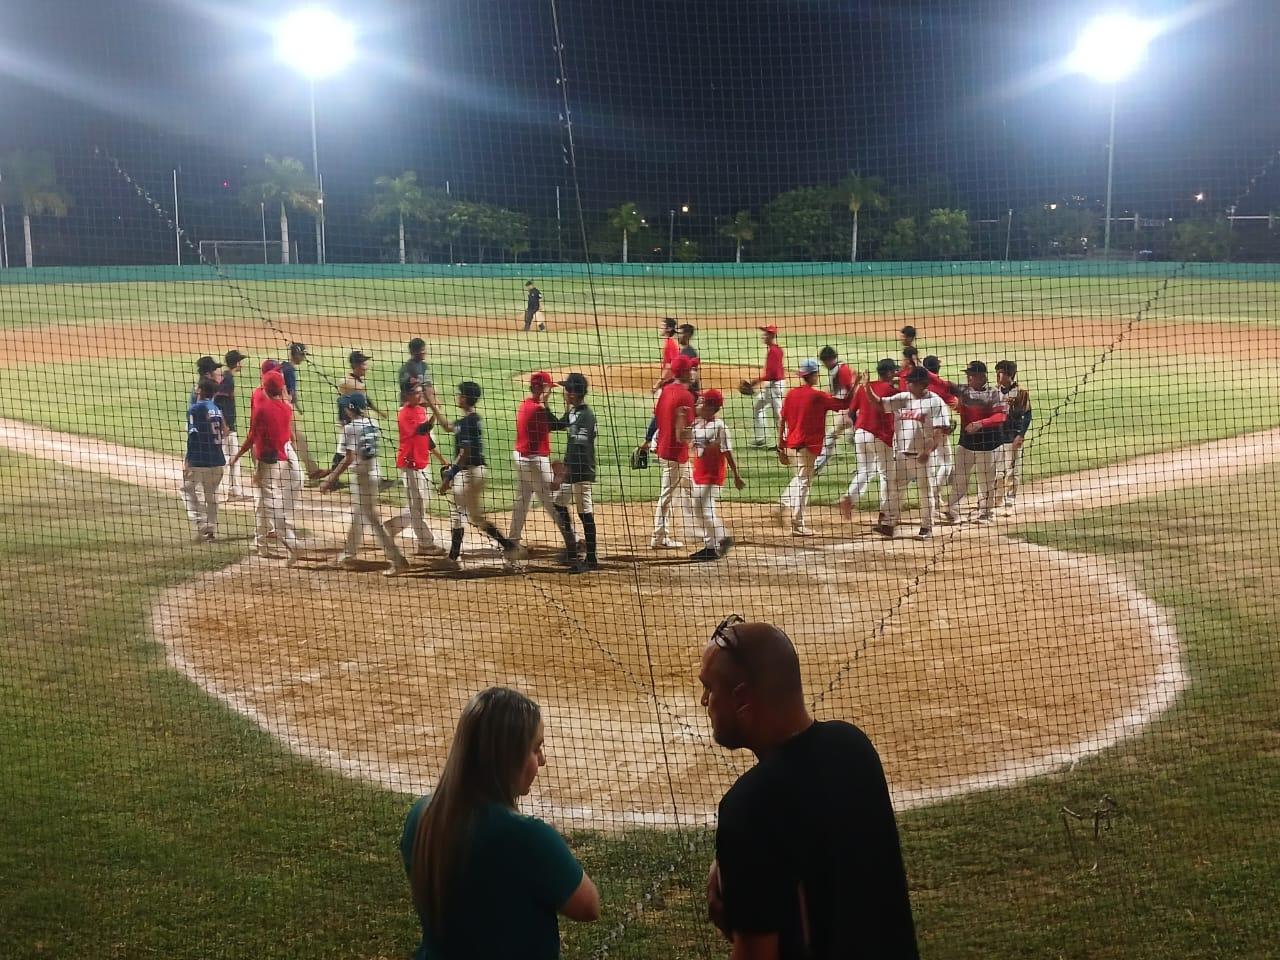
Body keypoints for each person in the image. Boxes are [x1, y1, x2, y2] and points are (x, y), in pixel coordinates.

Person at [700, 617, 918, 960]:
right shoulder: (854, 748)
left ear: (742, 699)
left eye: (709, 688)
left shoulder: (749, 807)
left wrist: (738, 907)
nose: (704, 702)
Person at [400, 687, 600, 960]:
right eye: (535, 748)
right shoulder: (526, 836)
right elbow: (588, 907)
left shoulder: (421, 815)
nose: (542, 760)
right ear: (509, 757)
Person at [320, 393, 411, 576]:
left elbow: (348, 458)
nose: (344, 409)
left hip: (362, 479)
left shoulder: (350, 428)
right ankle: (348, 553)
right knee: (360, 515)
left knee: (372, 519)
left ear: (351, 408)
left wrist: (330, 479)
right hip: (374, 474)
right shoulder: (373, 423)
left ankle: (396, 558)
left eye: (347, 406)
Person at [438, 381, 525, 571]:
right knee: (464, 514)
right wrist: (430, 405)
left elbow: (465, 452)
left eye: (459, 394)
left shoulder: (469, 421)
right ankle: (455, 557)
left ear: (464, 397)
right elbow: (446, 426)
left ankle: (507, 547)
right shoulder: (468, 419)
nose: (456, 396)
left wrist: (448, 477)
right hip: (469, 472)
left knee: (468, 515)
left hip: (471, 472)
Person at [866, 366, 951, 539]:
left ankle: (926, 527)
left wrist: (928, 451)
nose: (907, 384)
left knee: (925, 491)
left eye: (911, 382)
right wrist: (866, 387)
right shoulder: (903, 398)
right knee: (896, 489)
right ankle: (889, 525)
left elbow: (939, 431)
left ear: (923, 384)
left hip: (923, 456)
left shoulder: (935, 402)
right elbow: (880, 404)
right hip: (901, 454)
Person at [229, 368, 300, 562]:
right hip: (281, 460)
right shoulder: (287, 408)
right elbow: (287, 437)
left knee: (270, 504)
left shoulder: (262, 410)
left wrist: (238, 456)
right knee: (262, 503)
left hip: (266, 462)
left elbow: (252, 437)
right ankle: (261, 544)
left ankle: (291, 543)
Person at [508, 372, 578, 563]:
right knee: (554, 501)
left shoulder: (525, 405)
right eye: (548, 388)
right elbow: (561, 425)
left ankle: (513, 542)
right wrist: (567, 405)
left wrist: (546, 403)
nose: (550, 392)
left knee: (522, 500)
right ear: (539, 388)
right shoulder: (538, 410)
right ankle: (573, 541)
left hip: (520, 459)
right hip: (535, 462)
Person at [775, 359, 850, 537]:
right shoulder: (818, 396)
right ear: (814, 375)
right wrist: (854, 386)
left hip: (792, 444)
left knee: (802, 478)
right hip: (807, 446)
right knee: (804, 483)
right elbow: (844, 405)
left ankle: (785, 505)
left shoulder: (791, 394)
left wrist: (780, 446)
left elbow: (782, 419)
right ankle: (797, 523)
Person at [941, 360, 1008, 525]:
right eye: (968, 375)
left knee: (986, 480)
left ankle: (986, 512)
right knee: (960, 478)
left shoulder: (995, 393)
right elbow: (941, 384)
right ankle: (953, 511)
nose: (969, 378)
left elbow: (1001, 416)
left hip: (989, 445)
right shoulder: (963, 390)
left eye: (972, 375)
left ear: (982, 376)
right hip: (966, 443)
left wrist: (980, 424)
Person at [386, 384, 446, 557]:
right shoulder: (404, 413)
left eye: (421, 393)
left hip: (422, 462)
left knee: (421, 501)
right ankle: (425, 543)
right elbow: (421, 430)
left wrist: (442, 460)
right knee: (417, 502)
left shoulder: (420, 410)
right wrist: (435, 412)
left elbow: (427, 438)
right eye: (416, 393)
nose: (420, 396)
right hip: (410, 463)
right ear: (406, 395)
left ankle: (390, 528)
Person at [836, 358, 898, 524]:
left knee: (866, 469)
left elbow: (850, 413)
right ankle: (885, 514)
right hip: (878, 435)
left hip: (860, 434)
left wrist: (861, 425)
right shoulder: (891, 390)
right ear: (890, 373)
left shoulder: (865, 388)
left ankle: (849, 496)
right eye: (894, 372)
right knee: (886, 476)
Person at [550, 372, 600, 573]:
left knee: (585, 514)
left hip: (582, 470)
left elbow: (578, 449)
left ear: (573, 393)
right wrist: (544, 405)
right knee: (559, 504)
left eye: (566, 389)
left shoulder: (585, 416)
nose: (564, 392)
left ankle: (591, 558)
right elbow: (557, 425)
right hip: (572, 471)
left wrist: (563, 473)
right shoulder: (574, 412)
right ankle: (573, 546)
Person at [687, 389, 744, 561]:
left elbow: (727, 451)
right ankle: (711, 547)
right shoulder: (697, 424)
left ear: (712, 407)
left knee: (700, 508)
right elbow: (687, 442)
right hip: (699, 472)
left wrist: (736, 475)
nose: (698, 404)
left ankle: (721, 538)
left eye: (702, 401)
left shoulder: (720, 427)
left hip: (713, 475)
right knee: (702, 510)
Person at [650, 355, 697, 549]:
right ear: (685, 372)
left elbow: (658, 418)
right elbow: (684, 432)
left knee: (692, 487)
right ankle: (659, 537)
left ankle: (702, 527)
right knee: (667, 495)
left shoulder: (666, 390)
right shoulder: (686, 396)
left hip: (665, 448)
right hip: (675, 453)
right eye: (691, 369)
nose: (694, 372)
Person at [182, 376, 226, 542]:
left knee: (187, 490)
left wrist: (188, 460)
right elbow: (225, 431)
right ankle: (211, 529)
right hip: (217, 459)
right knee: (212, 496)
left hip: (200, 460)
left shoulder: (195, 409)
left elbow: (193, 435)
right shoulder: (216, 408)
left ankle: (201, 525)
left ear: (199, 390)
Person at [279, 342, 323, 479]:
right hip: (286, 409)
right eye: (302, 355)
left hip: (280, 408)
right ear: (296, 354)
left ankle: (309, 470)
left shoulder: (282, 366)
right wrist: (296, 407)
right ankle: (310, 471)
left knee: (294, 440)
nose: (304, 358)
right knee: (297, 440)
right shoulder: (290, 370)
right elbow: (291, 393)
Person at [920, 355, 956, 515]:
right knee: (946, 463)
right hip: (938, 430)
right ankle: (934, 494)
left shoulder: (918, 384)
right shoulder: (942, 386)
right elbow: (955, 403)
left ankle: (933, 498)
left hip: (917, 431)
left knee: (928, 466)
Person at [994, 360, 1031, 513]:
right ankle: (998, 498)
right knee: (997, 470)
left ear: (1009, 375)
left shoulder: (1021, 393)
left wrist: (1021, 435)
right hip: (996, 438)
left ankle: (1010, 498)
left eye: (1000, 372)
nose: (997, 375)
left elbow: (1027, 415)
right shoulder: (993, 391)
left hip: (1012, 437)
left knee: (1012, 470)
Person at [813, 345, 857, 474]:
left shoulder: (841, 370)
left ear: (828, 360)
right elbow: (836, 391)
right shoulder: (838, 369)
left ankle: (815, 467)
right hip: (851, 409)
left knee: (832, 436)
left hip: (853, 410)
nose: (824, 365)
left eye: (823, 362)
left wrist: (851, 411)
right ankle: (867, 467)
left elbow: (851, 390)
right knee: (854, 439)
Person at [215, 349, 251, 501]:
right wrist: (225, 424)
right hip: (227, 427)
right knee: (229, 459)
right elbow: (217, 401)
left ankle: (229, 491)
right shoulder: (228, 379)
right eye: (240, 361)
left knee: (228, 459)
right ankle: (228, 491)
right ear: (236, 363)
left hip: (225, 426)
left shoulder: (225, 376)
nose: (241, 365)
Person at [398, 337, 452, 429]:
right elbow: (406, 393)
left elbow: (428, 386)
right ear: (413, 352)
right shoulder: (406, 369)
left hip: (422, 411)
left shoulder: (424, 366)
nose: (424, 352)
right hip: (409, 413)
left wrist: (435, 400)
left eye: (424, 349)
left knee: (426, 437)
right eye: (421, 350)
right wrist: (430, 403)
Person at [748, 325, 786, 448]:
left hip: (775, 386)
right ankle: (762, 437)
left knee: (778, 415)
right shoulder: (774, 349)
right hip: (772, 385)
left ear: (772, 336)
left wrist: (756, 381)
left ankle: (784, 442)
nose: (763, 336)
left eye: (766, 334)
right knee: (758, 407)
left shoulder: (774, 351)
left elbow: (772, 374)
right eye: (764, 333)